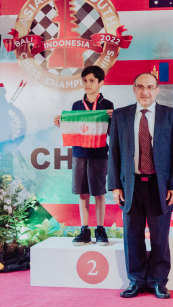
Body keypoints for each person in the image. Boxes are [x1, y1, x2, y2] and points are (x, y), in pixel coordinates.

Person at [107, 72, 173, 299]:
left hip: (159, 187)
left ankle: (158, 281)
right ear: (133, 89)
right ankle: (136, 280)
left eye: (150, 87)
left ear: (157, 89)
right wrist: (114, 185)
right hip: (130, 185)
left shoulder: (171, 116)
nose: (145, 92)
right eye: (140, 87)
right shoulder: (121, 116)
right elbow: (113, 153)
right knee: (132, 237)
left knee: (160, 236)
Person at [53, 65, 113, 246]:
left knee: (99, 193)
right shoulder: (76, 106)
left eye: (92, 81)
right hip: (79, 153)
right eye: (85, 80)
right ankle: (84, 230)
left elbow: (111, 132)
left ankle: (100, 229)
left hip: (99, 153)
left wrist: (113, 118)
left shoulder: (107, 105)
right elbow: (73, 129)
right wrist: (61, 124)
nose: (87, 84)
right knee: (83, 193)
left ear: (100, 83)